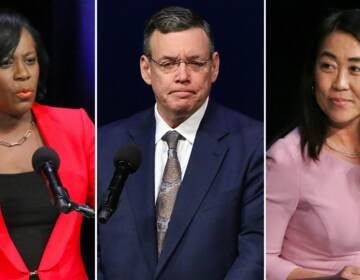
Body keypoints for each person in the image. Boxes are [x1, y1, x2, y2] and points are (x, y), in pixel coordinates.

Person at [98, 6, 263, 280]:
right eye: (168, 63)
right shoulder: (106, 144)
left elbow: (255, 250)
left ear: (214, 66)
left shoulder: (252, 143)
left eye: (196, 63)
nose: (183, 75)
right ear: (146, 69)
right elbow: (95, 248)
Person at [0, 10, 94, 279]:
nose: (23, 74)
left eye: (30, 60)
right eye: (6, 63)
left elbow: (117, 212)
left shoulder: (75, 127)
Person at [267, 9, 360, 280]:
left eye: (355, 69)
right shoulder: (286, 159)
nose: (340, 83)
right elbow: (259, 259)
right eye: (328, 66)